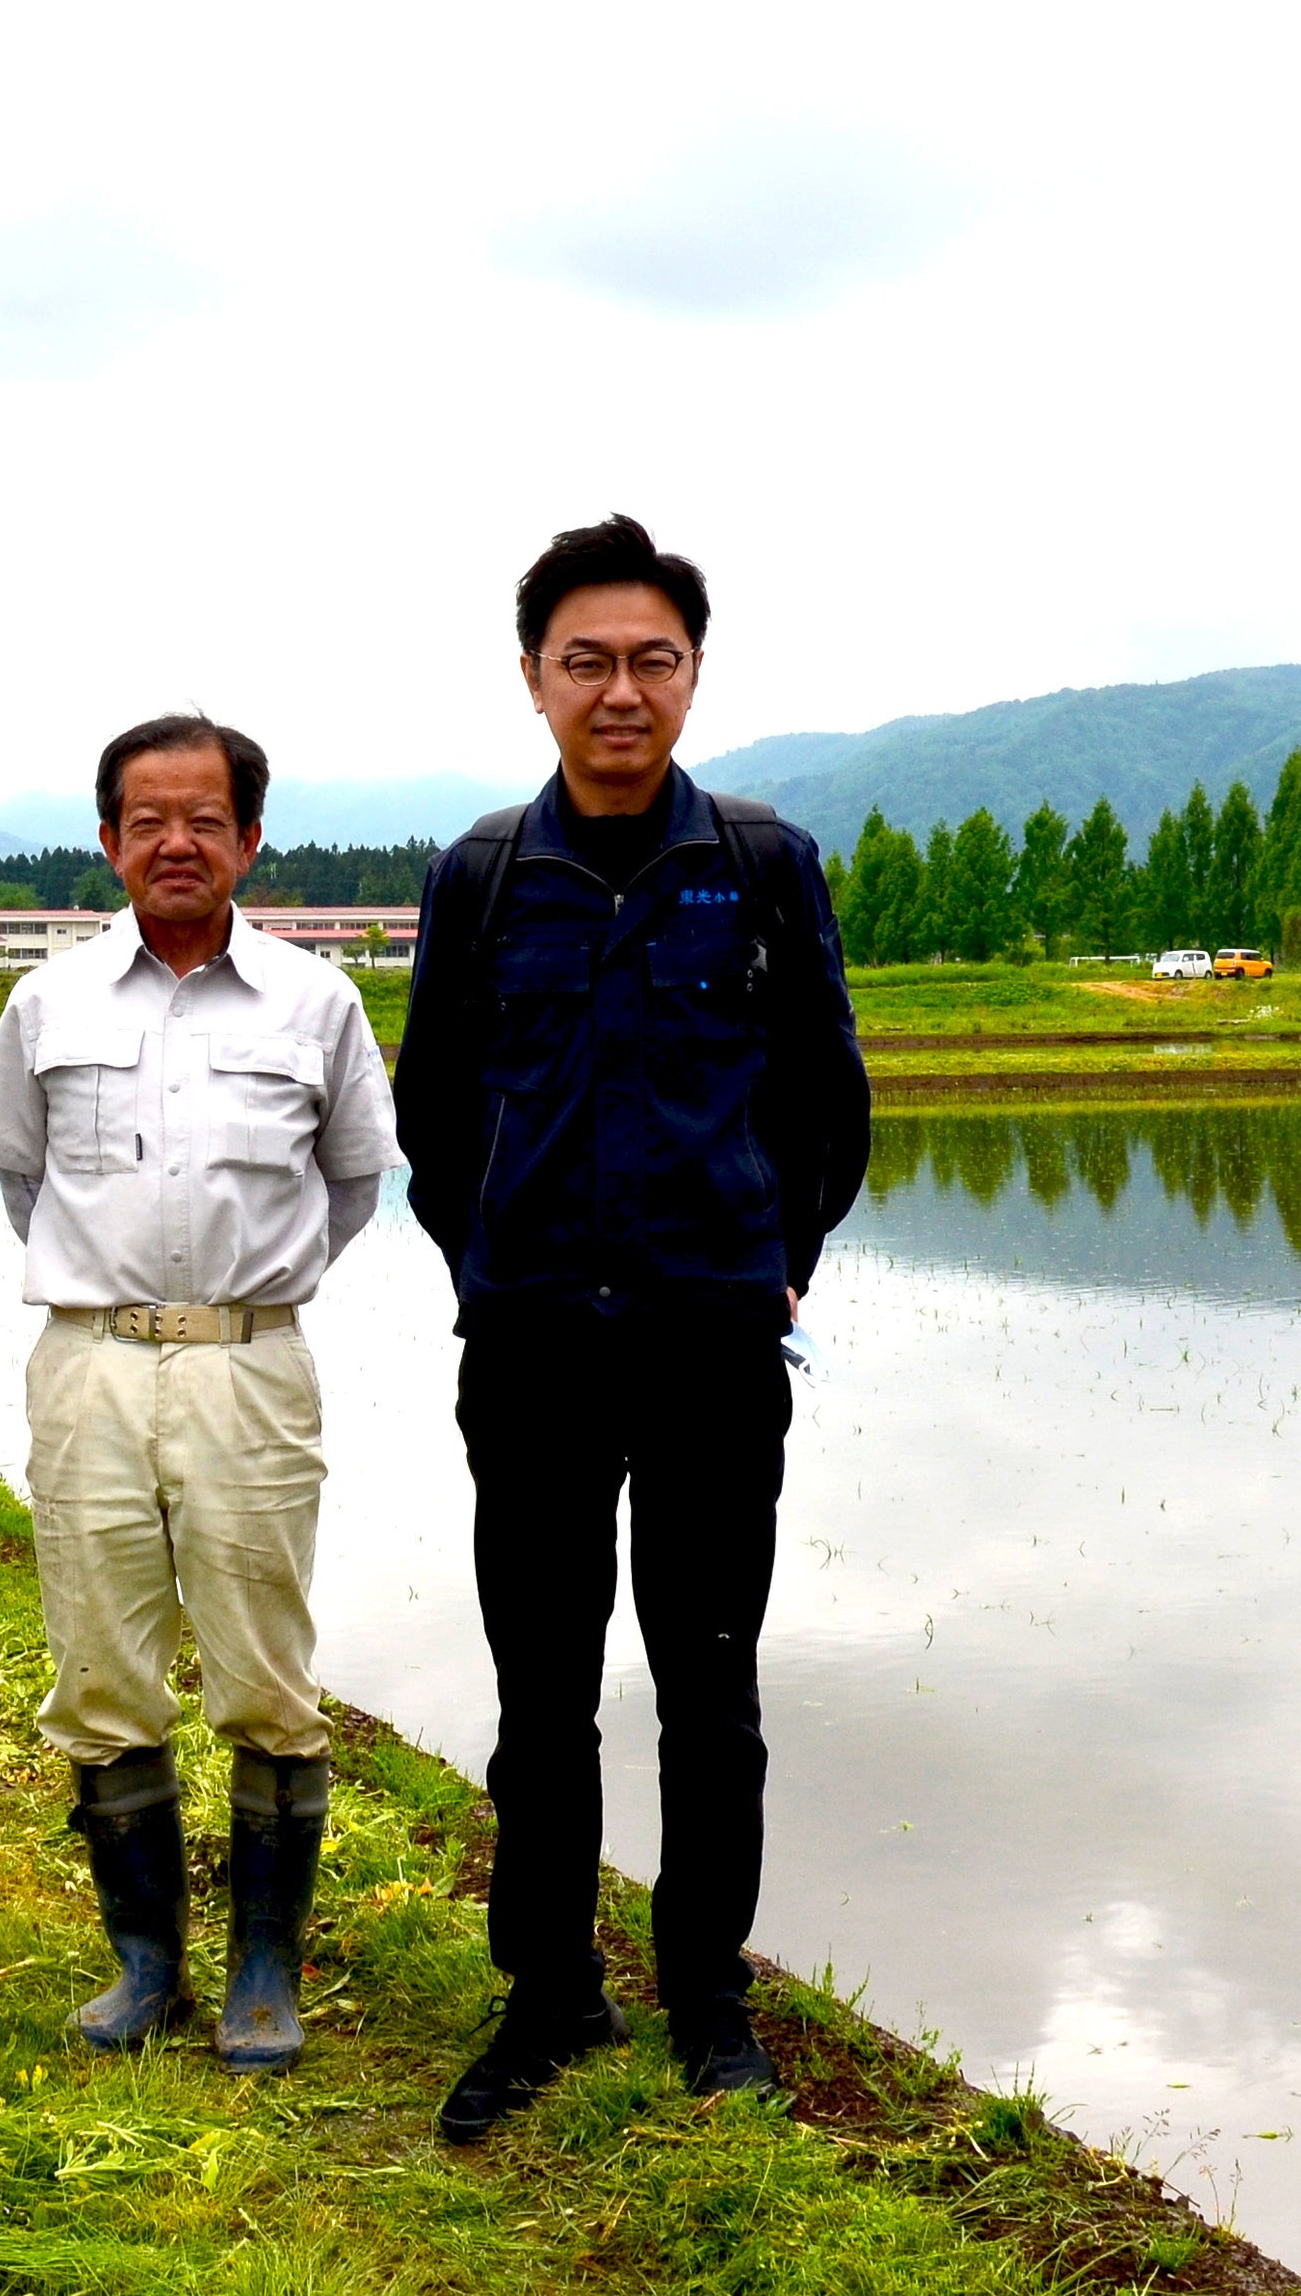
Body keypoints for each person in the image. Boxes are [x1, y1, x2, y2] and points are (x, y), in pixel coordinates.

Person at [392, 514, 872, 2142]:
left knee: (710, 1679)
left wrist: (771, 1261)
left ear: (691, 675)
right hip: (530, 1348)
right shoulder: (478, 878)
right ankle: (547, 1994)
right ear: (533, 677)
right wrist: (495, 1270)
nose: (619, 689)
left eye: (648, 659)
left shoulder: (762, 863)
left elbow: (829, 1105)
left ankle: (708, 1998)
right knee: (541, 1682)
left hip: (713, 1345)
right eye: (585, 660)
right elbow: (434, 1118)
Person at [0, 715, 399, 2072]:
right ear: (109, 841)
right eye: (147, 819)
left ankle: (264, 1965)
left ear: (250, 839)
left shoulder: (316, 1003)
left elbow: (356, 1183)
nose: (176, 842)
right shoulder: (50, 1002)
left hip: (249, 1366)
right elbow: (20, 1179)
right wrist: (120, 1292)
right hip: (88, 1361)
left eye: (205, 818)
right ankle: (146, 1962)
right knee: (98, 1667)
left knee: (267, 1674)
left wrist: (244, 1297)